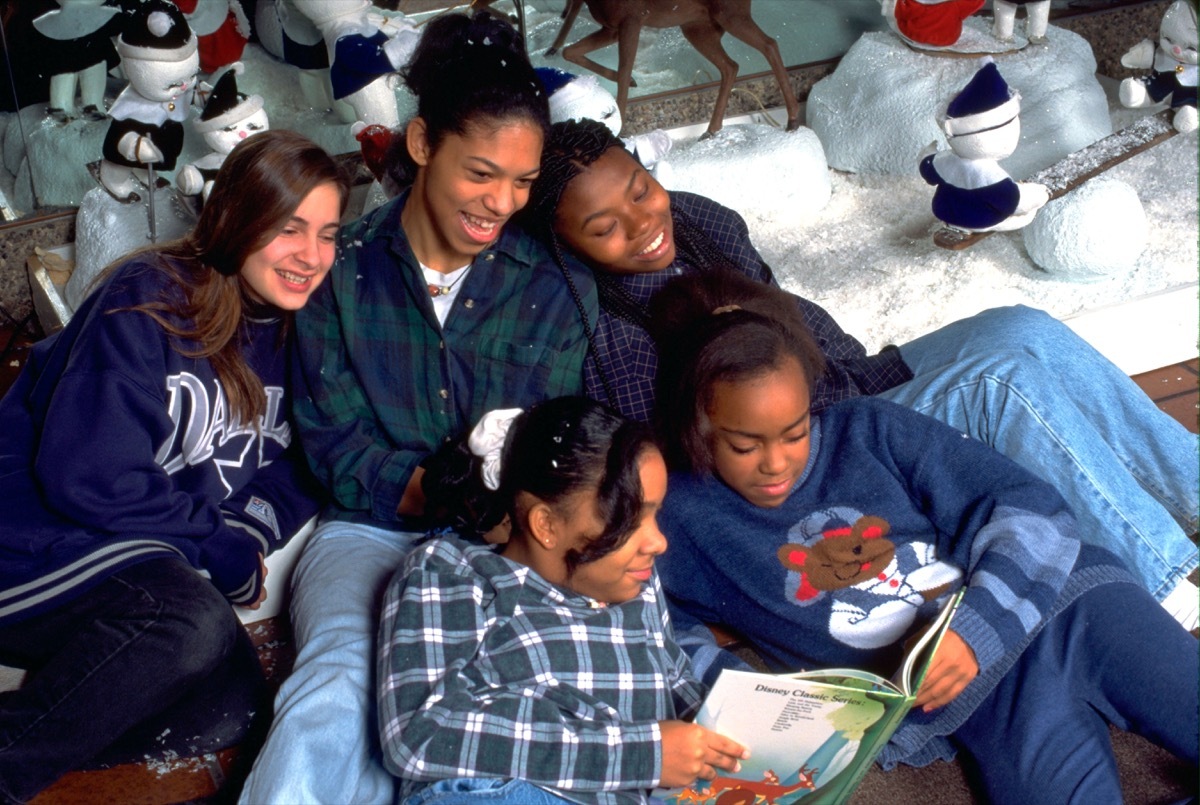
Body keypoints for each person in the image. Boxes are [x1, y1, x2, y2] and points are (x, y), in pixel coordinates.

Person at [520, 117, 1199, 630]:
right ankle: (1172, 585)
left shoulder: (698, 221)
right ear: (566, 242)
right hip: (821, 439)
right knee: (997, 384)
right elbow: (701, 463)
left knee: (1023, 328)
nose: (643, 224)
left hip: (853, 375)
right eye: (605, 226)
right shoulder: (607, 333)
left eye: (641, 191)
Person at [649, 270, 1198, 804]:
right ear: (694, 425)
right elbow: (657, 637)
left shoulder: (871, 428)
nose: (776, 463)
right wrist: (757, 707)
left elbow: (1033, 511)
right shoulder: (678, 518)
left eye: (795, 433)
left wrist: (975, 632)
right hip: (984, 702)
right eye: (745, 446)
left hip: (1071, 609)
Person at [240, 12, 597, 803]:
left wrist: (508, 519)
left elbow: (560, 449)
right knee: (340, 686)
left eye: (522, 181)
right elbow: (334, 441)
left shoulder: (556, 288)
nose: (500, 202)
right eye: (481, 173)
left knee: (504, 702)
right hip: (370, 531)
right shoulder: (341, 271)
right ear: (424, 143)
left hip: (502, 541)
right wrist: (431, 489)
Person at [0, 129, 347, 802]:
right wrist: (214, 543)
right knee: (190, 623)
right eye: (289, 228)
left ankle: (38, 719)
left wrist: (245, 529)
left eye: (328, 234)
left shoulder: (302, 329)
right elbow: (89, 474)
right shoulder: (150, 294)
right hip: (30, 536)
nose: (311, 256)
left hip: (128, 556)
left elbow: (306, 462)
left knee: (234, 701)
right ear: (237, 218)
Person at [379, 397, 747, 805]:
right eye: (628, 522)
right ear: (547, 525)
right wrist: (643, 753)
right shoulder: (453, 572)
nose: (658, 542)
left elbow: (676, 685)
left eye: (655, 514)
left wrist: (727, 734)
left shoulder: (637, 585)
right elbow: (420, 734)